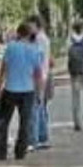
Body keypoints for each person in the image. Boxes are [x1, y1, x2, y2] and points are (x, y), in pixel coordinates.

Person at [0, 23, 44, 161]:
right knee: (24, 122)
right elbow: (38, 74)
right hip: (28, 90)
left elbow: (3, 69)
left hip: (11, 89)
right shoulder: (35, 50)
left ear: (18, 33)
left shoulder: (11, 47)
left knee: (4, 121)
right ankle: (20, 151)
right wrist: (39, 92)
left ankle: (1, 151)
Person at [26, 15, 51, 151]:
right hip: (43, 75)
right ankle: (42, 136)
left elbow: (37, 59)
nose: (29, 29)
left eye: (31, 26)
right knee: (40, 106)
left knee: (34, 107)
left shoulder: (38, 39)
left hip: (38, 77)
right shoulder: (44, 38)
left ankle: (33, 138)